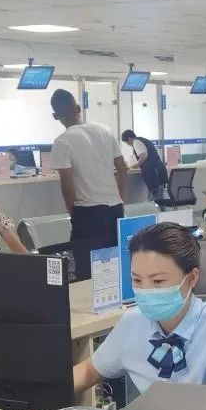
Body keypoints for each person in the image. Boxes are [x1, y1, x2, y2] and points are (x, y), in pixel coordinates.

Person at [71, 222, 206, 398]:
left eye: (158, 281)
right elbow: (88, 371)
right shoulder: (132, 322)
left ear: (192, 278)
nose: (146, 290)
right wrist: (54, 393)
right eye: (137, 280)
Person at [50, 89, 127, 279]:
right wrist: (119, 197)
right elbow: (122, 168)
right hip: (115, 210)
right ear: (78, 108)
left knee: (87, 271)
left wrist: (72, 212)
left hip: (87, 213)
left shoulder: (62, 141)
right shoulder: (105, 130)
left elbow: (66, 182)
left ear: (55, 116)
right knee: (114, 266)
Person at [122, 129, 169, 200]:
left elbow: (144, 156)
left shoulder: (136, 142)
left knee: (154, 198)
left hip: (153, 173)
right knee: (159, 198)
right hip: (159, 171)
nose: (128, 144)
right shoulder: (144, 140)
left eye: (127, 142)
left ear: (129, 138)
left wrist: (135, 165)